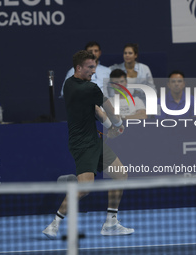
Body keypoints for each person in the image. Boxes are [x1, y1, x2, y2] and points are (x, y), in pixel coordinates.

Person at [43, 50, 134, 239]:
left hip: (94, 140)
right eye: (90, 67)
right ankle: (54, 224)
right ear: (79, 68)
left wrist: (110, 127)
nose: (94, 71)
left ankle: (111, 223)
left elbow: (97, 111)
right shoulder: (90, 88)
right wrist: (118, 125)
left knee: (120, 174)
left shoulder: (69, 85)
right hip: (82, 144)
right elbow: (108, 109)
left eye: (94, 66)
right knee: (84, 188)